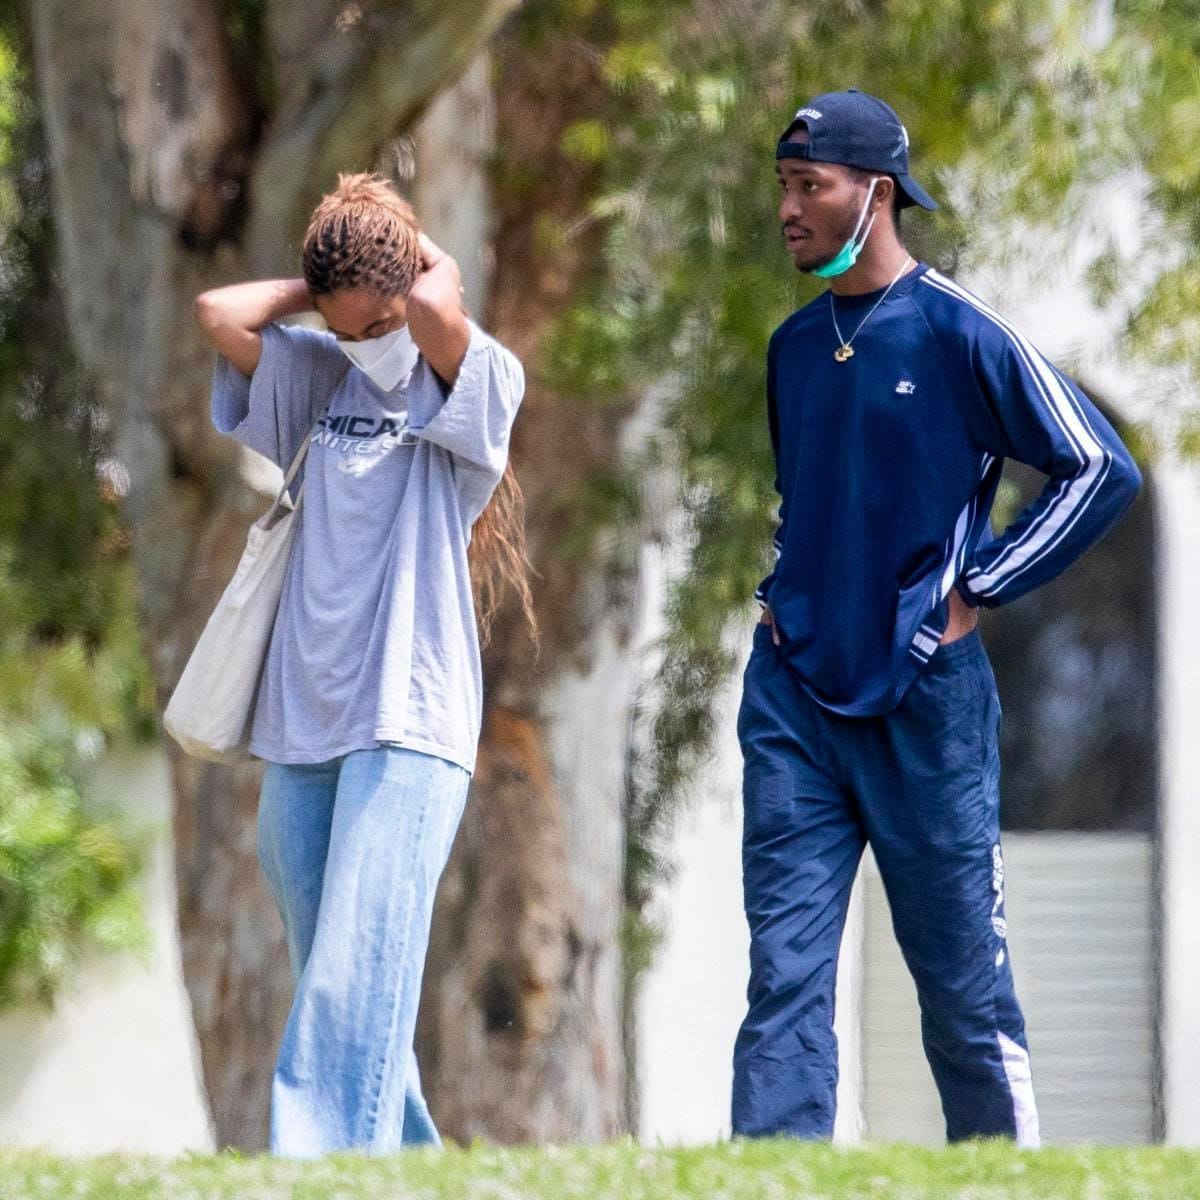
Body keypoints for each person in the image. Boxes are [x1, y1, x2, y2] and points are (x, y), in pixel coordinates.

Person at [734, 89, 1142, 1146]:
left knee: (962, 990)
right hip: (794, 702)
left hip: (927, 704)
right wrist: (787, 594)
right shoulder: (792, 348)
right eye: (784, 185)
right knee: (783, 981)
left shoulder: (961, 332)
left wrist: (981, 587)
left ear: (875, 195)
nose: (787, 207)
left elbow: (1099, 467)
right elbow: (813, 502)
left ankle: (1001, 1169)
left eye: (808, 186)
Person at [193, 173, 533, 1157]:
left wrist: (412, 258)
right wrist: (323, 291)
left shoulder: (475, 382)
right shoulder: (316, 374)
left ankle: (315, 1163)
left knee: (352, 973)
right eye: (348, 329)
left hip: (408, 720)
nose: (364, 340)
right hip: (304, 722)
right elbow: (219, 313)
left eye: (376, 320)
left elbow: (432, 307)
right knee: (336, 970)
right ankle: (411, 1166)